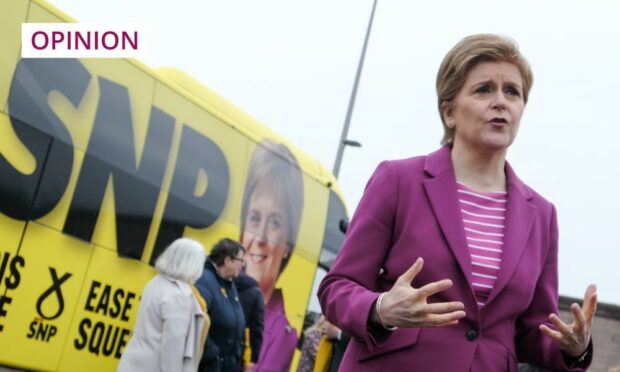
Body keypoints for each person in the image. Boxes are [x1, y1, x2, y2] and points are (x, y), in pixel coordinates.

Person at [318, 34, 598, 371]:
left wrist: (575, 349)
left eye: (513, 91)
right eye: (484, 89)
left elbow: (530, 333)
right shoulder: (398, 180)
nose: (501, 102)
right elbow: (336, 288)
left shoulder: (541, 215)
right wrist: (381, 309)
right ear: (449, 112)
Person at [241, 138, 304, 372]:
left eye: (275, 222)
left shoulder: (283, 335)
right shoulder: (227, 296)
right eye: (255, 218)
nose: (260, 238)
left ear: (288, 243)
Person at [118, 238, 208, 372]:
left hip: (132, 363)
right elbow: (173, 347)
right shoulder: (179, 295)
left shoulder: (155, 282)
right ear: (192, 264)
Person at [196, 238, 246, 372]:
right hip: (208, 366)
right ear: (227, 260)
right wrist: (213, 355)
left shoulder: (229, 283)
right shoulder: (204, 280)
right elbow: (197, 321)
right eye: (240, 261)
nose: (242, 265)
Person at [235, 271, 265, 371]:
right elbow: (256, 329)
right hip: (238, 353)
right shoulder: (256, 293)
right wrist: (252, 360)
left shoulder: (226, 284)